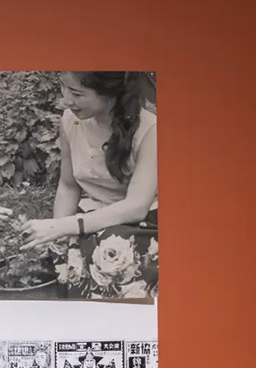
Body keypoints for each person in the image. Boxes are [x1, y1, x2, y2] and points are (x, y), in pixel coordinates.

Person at [23, 71, 159, 253]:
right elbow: (68, 186)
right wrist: (55, 233)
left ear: (108, 92)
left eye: (76, 93)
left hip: (142, 222)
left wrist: (66, 226)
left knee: (109, 253)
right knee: (61, 254)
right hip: (93, 216)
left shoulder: (150, 129)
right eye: (63, 87)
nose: (66, 100)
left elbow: (136, 207)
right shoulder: (70, 121)